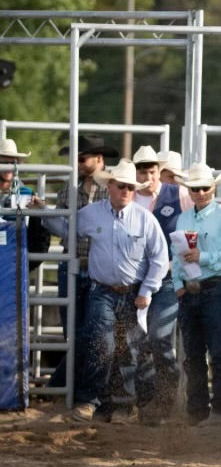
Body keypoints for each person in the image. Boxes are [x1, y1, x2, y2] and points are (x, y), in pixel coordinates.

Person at [41, 160, 168, 422]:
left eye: (131, 188)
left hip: (134, 292)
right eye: (121, 186)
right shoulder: (91, 213)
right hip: (103, 290)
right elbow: (67, 230)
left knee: (129, 348)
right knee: (102, 343)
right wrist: (43, 212)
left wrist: (146, 290)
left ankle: (121, 404)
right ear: (109, 186)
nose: (126, 191)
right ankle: (92, 401)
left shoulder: (145, 219)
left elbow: (159, 258)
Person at [119, 145, 192, 423]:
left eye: (151, 171)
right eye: (143, 171)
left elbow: (197, 217)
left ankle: (164, 400)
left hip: (167, 279)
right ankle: (148, 401)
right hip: (136, 280)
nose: (148, 176)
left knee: (160, 337)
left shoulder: (179, 194)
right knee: (136, 341)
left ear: (159, 171)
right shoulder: (129, 199)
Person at [40, 134, 119, 389]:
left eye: (82, 158)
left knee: (93, 332)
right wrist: (44, 213)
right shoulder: (69, 190)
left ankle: (62, 385)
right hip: (74, 264)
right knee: (74, 332)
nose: (77, 162)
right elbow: (64, 229)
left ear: (99, 159)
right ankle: (74, 388)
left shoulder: (114, 191)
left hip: (99, 269)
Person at [173, 162, 221, 426]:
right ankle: (198, 410)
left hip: (213, 288)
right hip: (192, 290)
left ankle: (220, 410)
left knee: (218, 352)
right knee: (193, 354)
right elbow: (176, 255)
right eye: (195, 188)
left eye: (204, 188)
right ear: (190, 190)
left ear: (213, 188)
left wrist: (203, 257)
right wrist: (177, 284)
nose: (200, 192)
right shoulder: (185, 218)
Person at [0, 138, 50, 263]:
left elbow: (40, 239)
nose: (9, 167)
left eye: (13, 163)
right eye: (4, 162)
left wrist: (24, 267)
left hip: (15, 269)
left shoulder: (27, 195)